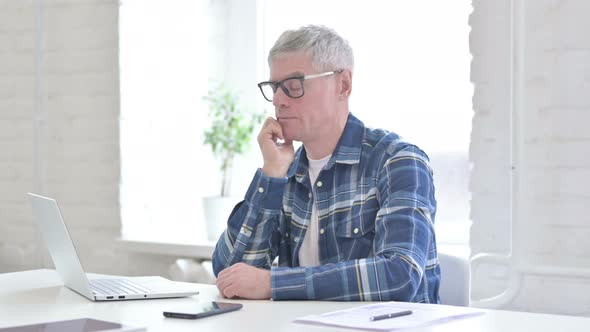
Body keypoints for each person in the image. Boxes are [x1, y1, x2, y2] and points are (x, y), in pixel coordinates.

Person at [212, 25, 440, 302]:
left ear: (343, 85)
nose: (279, 100)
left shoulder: (398, 161)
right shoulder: (287, 172)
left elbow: (399, 276)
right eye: (274, 88)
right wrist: (271, 175)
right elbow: (230, 274)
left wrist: (274, 284)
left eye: (294, 86)